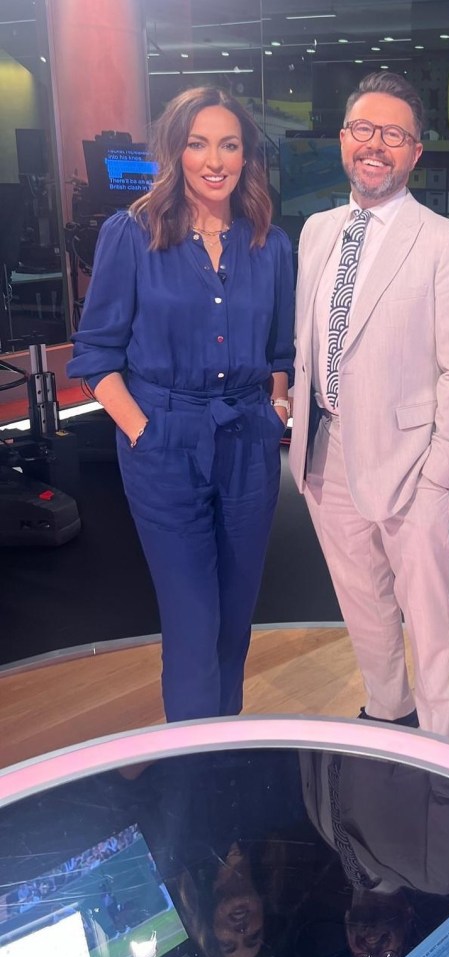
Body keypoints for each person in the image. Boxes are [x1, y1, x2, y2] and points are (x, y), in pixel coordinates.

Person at [67, 87, 295, 722]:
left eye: (228, 144)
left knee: (235, 622)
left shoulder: (269, 244)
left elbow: (282, 349)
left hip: (248, 443)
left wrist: (277, 406)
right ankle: (193, 773)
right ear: (175, 150)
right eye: (198, 144)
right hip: (163, 444)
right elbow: (96, 354)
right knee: (194, 626)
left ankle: (223, 752)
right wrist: (142, 429)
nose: (213, 160)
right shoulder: (131, 234)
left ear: (247, 155)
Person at [288, 72, 449, 739]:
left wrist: (439, 479)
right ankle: (386, 711)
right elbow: (309, 342)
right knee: (363, 603)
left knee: (427, 617)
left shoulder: (444, 242)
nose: (377, 146)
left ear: (414, 152)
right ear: (344, 139)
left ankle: (444, 750)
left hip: (411, 466)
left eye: (394, 135)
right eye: (364, 130)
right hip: (326, 451)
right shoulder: (317, 230)